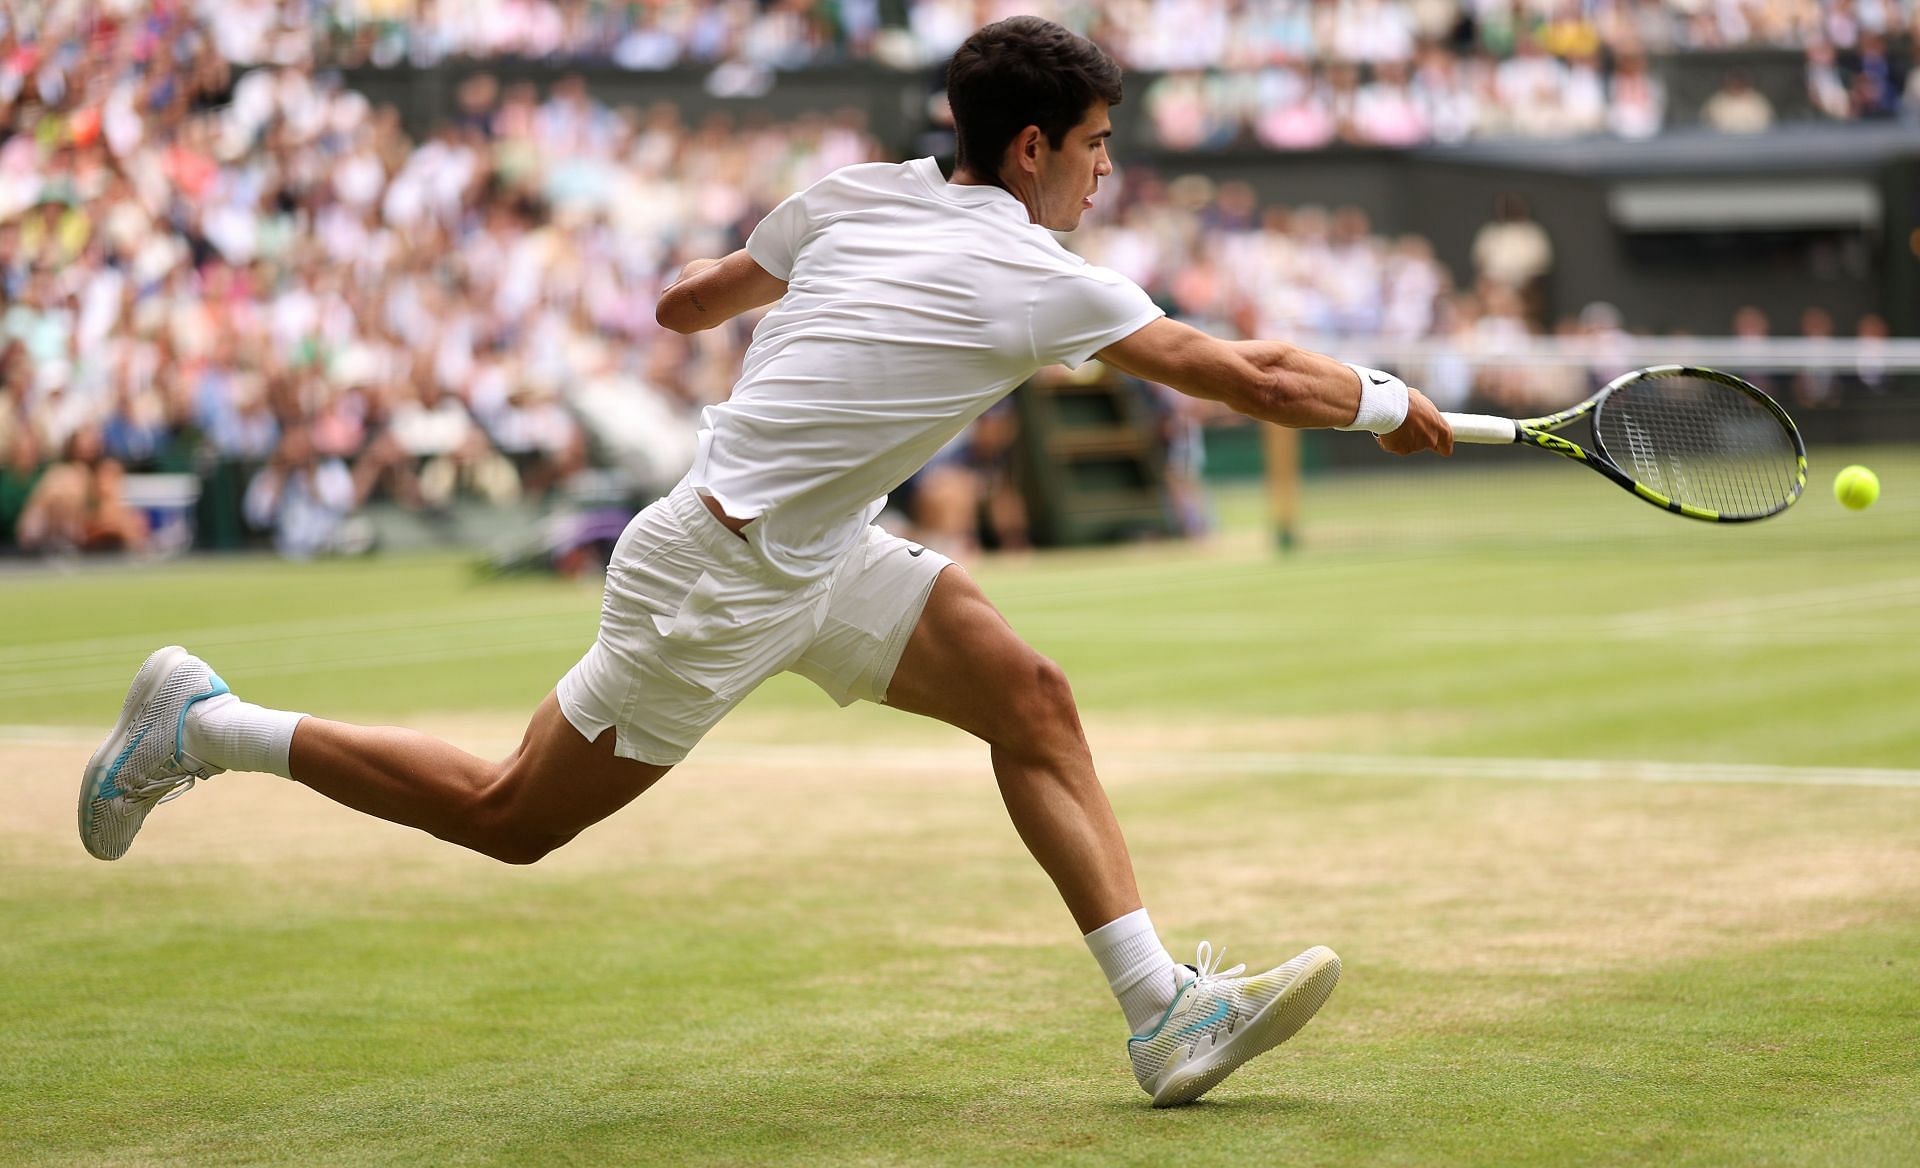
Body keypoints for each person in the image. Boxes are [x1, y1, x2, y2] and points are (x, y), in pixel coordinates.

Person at [78, 17, 1453, 1108]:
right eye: (1097, 145)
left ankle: (1160, 1012)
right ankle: (209, 724)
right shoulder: (1041, 273)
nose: (1107, 170)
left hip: (815, 549)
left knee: (1029, 699)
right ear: (1030, 148)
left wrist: (817, 303)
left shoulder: (849, 196)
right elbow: (1251, 373)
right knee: (511, 815)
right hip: (716, 577)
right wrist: (1392, 406)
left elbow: (686, 301)